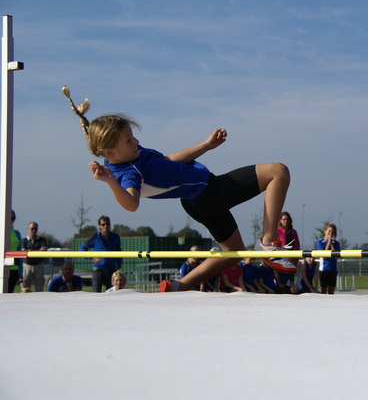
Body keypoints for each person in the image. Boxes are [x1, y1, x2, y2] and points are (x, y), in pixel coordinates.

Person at [63, 86, 293, 293]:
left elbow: (168, 161)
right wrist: (111, 182)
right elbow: (131, 204)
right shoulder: (128, 173)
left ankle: (180, 285)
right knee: (278, 171)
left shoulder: (132, 156)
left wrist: (206, 145)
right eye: (128, 140)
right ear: (110, 152)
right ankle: (269, 242)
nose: (135, 142)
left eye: (132, 137)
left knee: (233, 252)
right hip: (210, 192)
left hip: (196, 202)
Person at [80, 215, 122, 292]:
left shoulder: (115, 237)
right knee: (96, 292)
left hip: (111, 269)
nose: (106, 226)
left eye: (107, 224)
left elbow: (118, 251)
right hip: (98, 269)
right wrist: (91, 258)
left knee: (113, 292)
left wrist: (119, 265)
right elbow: (82, 249)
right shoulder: (94, 237)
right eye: (103, 224)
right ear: (99, 226)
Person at [274, 211, 300, 291]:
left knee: (290, 279)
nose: (286, 221)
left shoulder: (293, 232)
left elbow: (297, 246)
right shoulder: (277, 231)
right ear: (280, 220)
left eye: (287, 219)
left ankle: (292, 288)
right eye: (284, 219)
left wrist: (295, 260)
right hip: (281, 258)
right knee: (281, 281)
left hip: (291, 258)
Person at [21, 221, 48, 292]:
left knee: (39, 288)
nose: (34, 230)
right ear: (28, 229)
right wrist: (38, 250)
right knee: (25, 288)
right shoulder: (24, 240)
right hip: (27, 265)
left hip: (38, 265)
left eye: (36, 229)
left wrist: (30, 251)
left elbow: (43, 250)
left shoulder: (42, 240)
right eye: (32, 228)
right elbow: (24, 253)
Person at [317, 223, 340, 294]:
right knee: (323, 289)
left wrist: (332, 245)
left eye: (332, 232)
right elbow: (323, 256)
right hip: (324, 269)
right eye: (329, 231)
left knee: (331, 290)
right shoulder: (320, 242)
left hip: (333, 269)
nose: (330, 233)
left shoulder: (336, 243)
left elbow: (336, 256)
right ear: (325, 231)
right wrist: (328, 243)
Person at [7, 210, 23, 293]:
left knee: (9, 293)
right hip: (2, 267)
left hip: (13, 268)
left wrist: (20, 272)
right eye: (9, 217)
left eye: (12, 218)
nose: (11, 220)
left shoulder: (16, 233)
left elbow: (19, 252)